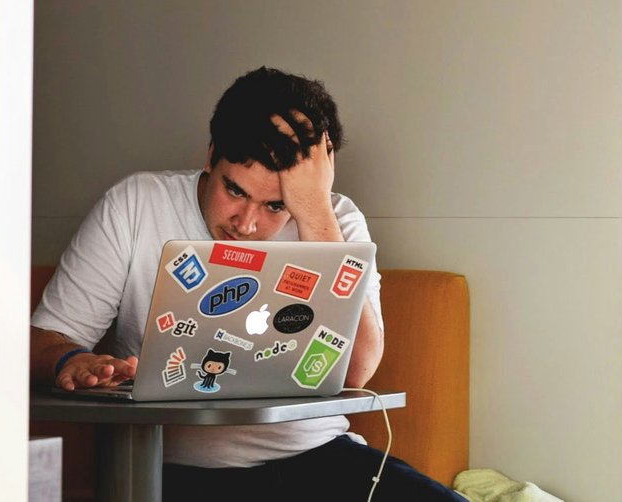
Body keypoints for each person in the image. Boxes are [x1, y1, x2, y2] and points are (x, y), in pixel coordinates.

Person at [29, 66, 464, 501]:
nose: (247, 223)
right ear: (211, 154)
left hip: (317, 457)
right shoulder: (136, 205)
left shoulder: (336, 221)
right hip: (172, 470)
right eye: (235, 191)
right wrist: (70, 359)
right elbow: (43, 339)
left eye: (276, 205)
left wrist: (313, 211)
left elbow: (358, 370)